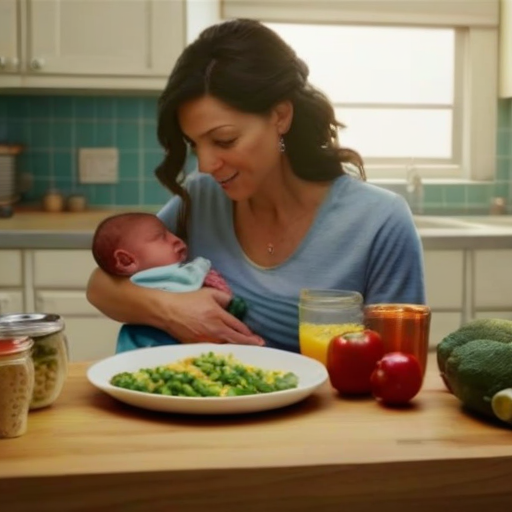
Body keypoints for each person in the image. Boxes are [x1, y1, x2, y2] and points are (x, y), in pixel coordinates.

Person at [86, 18, 426, 353]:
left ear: (280, 115)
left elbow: (397, 365)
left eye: (224, 140)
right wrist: (175, 313)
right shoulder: (202, 197)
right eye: (194, 145)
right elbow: (101, 286)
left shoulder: (380, 220)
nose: (205, 165)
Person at [91, 212, 247, 352]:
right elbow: (95, 287)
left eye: (170, 233)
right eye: (161, 237)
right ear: (126, 261)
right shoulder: (168, 277)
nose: (176, 239)